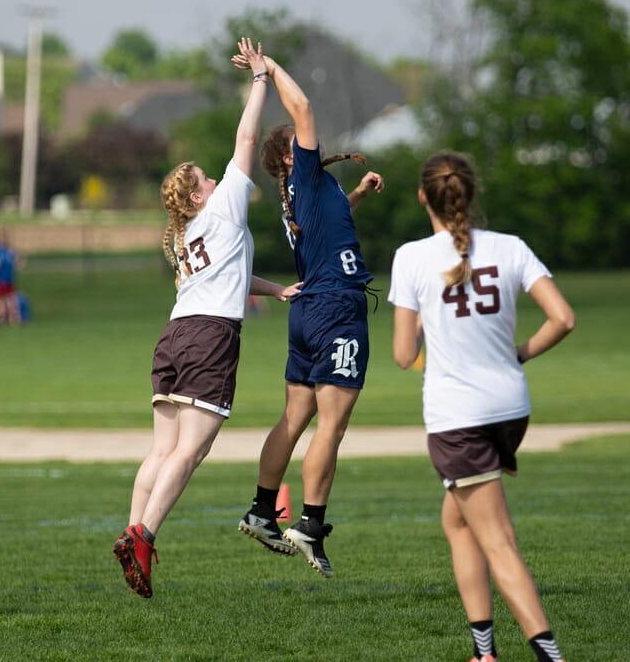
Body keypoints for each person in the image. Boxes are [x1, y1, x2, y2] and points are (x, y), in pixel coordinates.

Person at [113, 39, 301, 599]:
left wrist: (277, 289)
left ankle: (131, 531)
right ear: (196, 197)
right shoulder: (220, 208)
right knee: (191, 453)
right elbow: (247, 137)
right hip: (209, 339)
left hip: (175, 336)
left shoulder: (187, 232)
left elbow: (230, 279)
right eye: (206, 179)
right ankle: (144, 537)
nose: (216, 181)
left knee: (162, 451)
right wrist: (261, 79)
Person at [389, 151, 574, 662]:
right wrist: (520, 352)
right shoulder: (511, 247)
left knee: (499, 540)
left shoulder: (411, 257)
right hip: (511, 409)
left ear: (424, 196)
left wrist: (428, 323)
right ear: (471, 193)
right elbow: (563, 318)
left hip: (459, 420)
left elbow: (404, 356)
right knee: (458, 521)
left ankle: (549, 655)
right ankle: (483, 651)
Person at [233, 49, 384, 577]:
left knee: (296, 417)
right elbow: (304, 107)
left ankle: (260, 510)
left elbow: (332, 228)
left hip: (309, 308)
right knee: (332, 424)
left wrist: (358, 194)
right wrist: (269, 68)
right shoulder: (304, 174)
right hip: (336, 308)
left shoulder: (309, 192)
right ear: (292, 155)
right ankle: (310, 523)